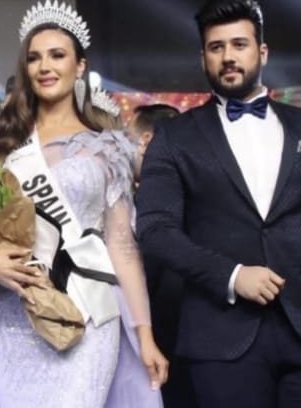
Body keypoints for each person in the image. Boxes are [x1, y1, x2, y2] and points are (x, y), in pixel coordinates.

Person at [136, 0, 301, 408]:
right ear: (203, 58)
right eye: (216, 47)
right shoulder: (173, 138)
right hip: (219, 336)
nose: (228, 57)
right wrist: (232, 275)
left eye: (239, 44)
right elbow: (156, 230)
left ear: (262, 52)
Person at [0, 0, 167, 407]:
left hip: (88, 315)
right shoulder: (0, 152)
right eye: (34, 58)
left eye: (57, 55)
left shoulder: (108, 149)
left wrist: (144, 334)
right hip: (11, 314)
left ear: (80, 65)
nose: (44, 67)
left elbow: (122, 248)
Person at [127, 103, 196, 408]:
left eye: (126, 138)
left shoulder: (149, 201)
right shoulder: (197, 194)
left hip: (162, 336)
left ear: (145, 141)